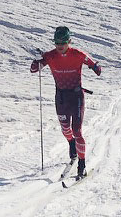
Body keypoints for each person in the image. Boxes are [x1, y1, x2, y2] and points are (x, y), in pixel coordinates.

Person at [30, 26, 101, 178]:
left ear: (69, 41)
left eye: (62, 43)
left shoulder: (77, 54)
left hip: (76, 97)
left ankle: (82, 164)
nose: (60, 46)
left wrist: (96, 67)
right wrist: (36, 65)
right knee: (65, 129)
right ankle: (71, 144)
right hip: (61, 98)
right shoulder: (50, 56)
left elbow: (92, 62)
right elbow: (36, 68)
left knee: (77, 131)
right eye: (57, 43)